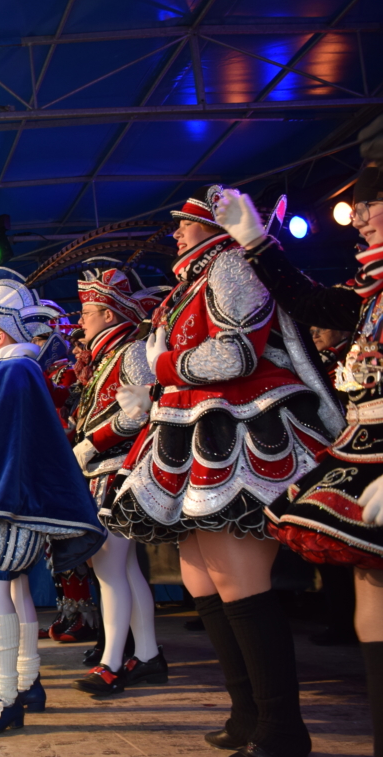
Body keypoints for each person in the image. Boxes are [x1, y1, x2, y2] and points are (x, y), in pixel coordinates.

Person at [109, 185, 340, 757]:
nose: (175, 233)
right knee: (201, 580)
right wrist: (149, 371)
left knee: (237, 578)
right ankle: (246, 714)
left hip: (237, 432)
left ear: (212, 228)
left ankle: (282, 727)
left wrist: (162, 365)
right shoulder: (184, 288)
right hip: (192, 434)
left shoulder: (232, 265)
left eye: (184, 223)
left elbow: (234, 354)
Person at [214, 166, 383, 756]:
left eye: (373, 204)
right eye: (358, 206)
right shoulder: (369, 293)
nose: (359, 217)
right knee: (371, 604)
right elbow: (309, 300)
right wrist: (256, 242)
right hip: (366, 450)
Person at [0, 268, 106, 735]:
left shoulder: (5, 372)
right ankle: (27, 682)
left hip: (5, 503)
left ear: (1, 335)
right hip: (21, 501)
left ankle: (2, 696)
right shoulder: (24, 371)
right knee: (14, 590)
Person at [68, 266, 170, 695]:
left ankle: (111, 662)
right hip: (104, 469)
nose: (81, 320)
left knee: (110, 569)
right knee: (122, 570)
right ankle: (146, 655)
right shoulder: (110, 355)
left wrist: (90, 443)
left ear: (109, 315)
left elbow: (140, 410)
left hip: (117, 469)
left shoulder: (129, 352)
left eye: (87, 312)